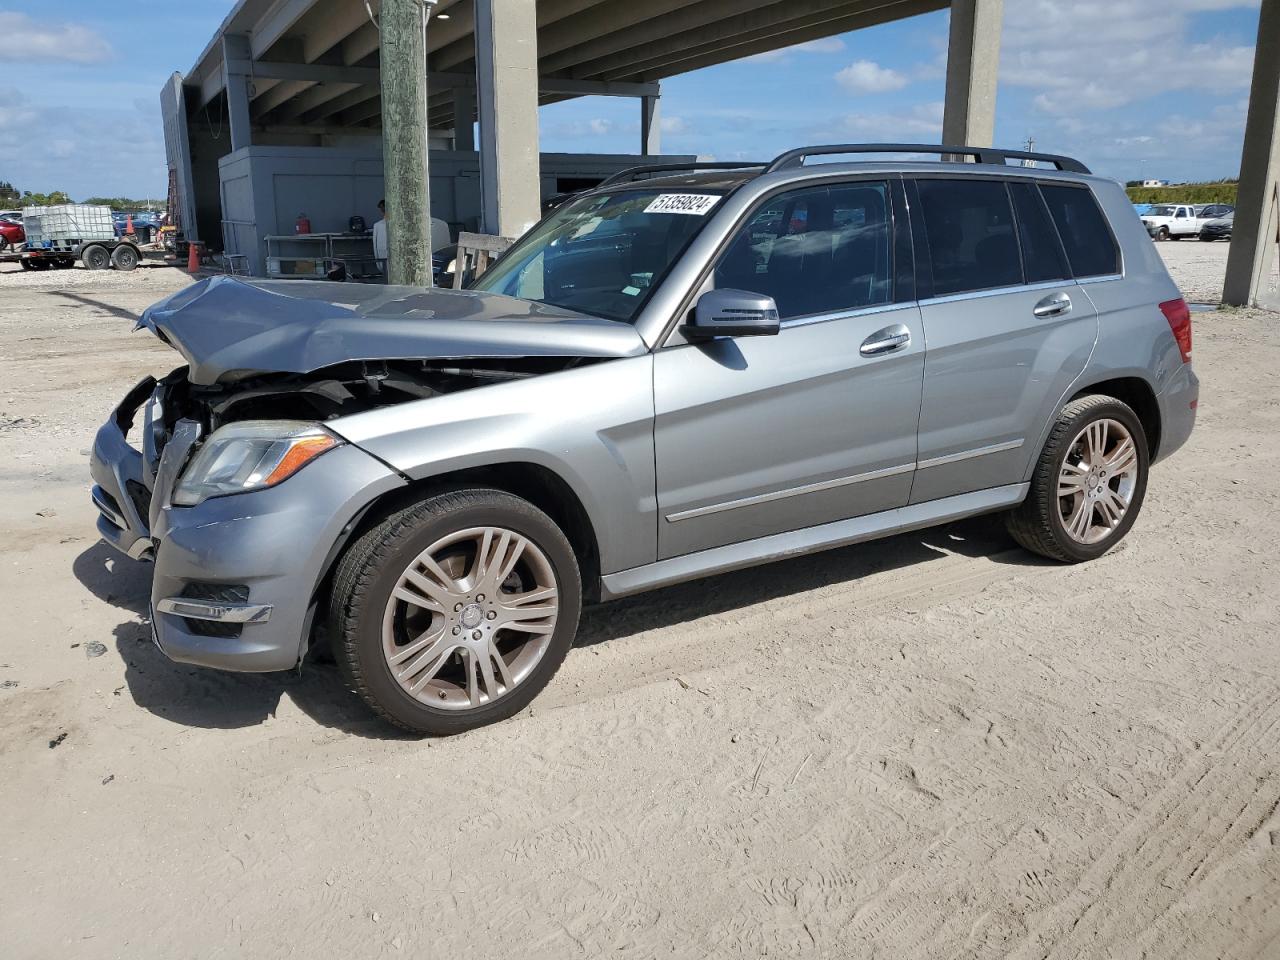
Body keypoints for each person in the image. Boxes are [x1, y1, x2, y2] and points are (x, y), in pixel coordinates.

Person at [372, 199, 388, 277]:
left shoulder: (378, 225)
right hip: (382, 256)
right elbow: (375, 245)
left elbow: (375, 246)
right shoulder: (378, 225)